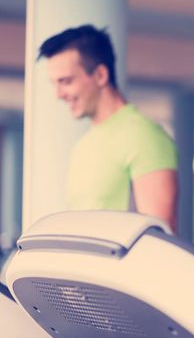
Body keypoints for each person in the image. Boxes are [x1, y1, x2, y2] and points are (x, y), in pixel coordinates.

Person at [38, 25, 179, 234]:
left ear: (101, 75)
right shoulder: (84, 145)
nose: (59, 94)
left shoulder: (144, 136)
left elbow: (160, 241)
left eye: (66, 81)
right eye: (54, 84)